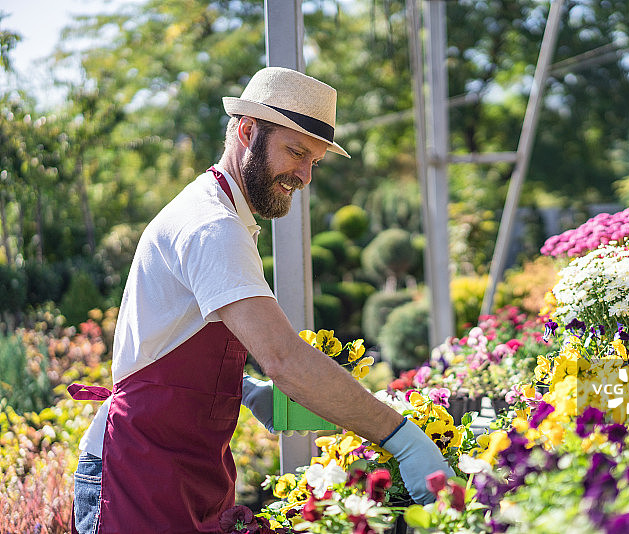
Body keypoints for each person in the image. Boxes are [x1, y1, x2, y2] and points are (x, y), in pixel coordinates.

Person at [70, 67, 453, 534]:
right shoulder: (213, 226)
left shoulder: (224, 212)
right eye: (295, 152)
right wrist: (404, 440)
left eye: (314, 160)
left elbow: (177, 335)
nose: (305, 175)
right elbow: (285, 358)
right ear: (248, 131)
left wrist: (245, 389)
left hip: (177, 471)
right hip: (136, 474)